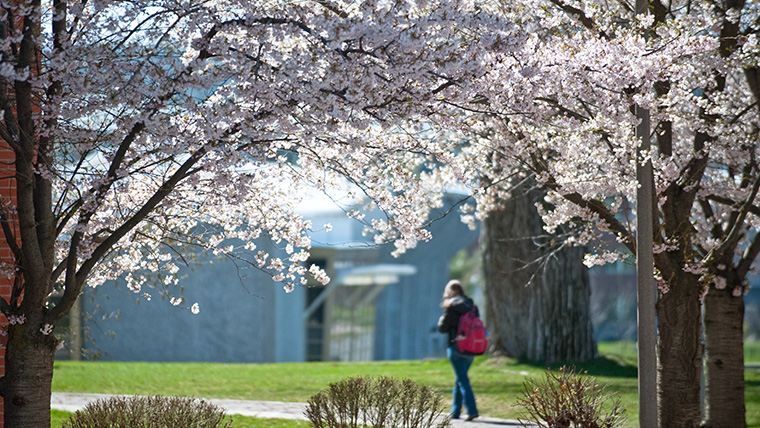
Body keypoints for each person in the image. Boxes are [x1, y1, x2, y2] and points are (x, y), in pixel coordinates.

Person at [437, 279, 479, 421]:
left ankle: (472, 409)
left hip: (456, 347)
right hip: (472, 348)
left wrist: (443, 317)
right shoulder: (471, 305)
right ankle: (455, 411)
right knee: (460, 378)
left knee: (462, 379)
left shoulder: (451, 306)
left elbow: (443, 328)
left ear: (450, 292)